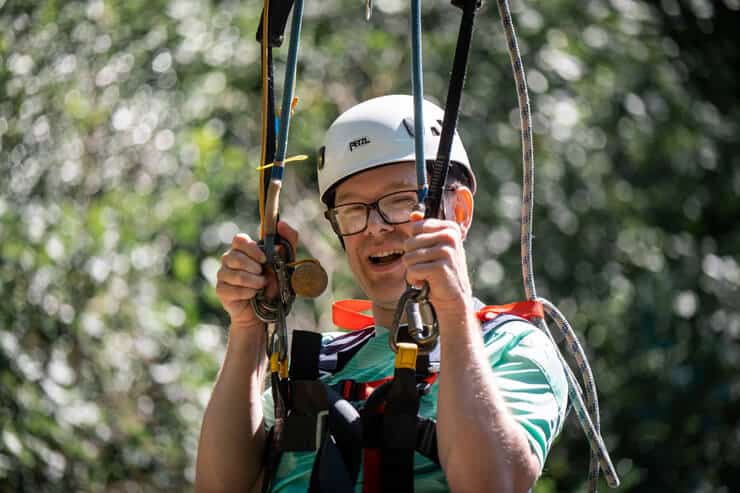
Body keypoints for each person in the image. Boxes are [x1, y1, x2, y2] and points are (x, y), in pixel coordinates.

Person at [195, 95, 568, 493]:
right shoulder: (322, 365)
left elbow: (495, 485)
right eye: (353, 211)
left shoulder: (510, 346)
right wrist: (249, 327)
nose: (374, 228)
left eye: (400, 202)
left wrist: (454, 312)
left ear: (458, 213)